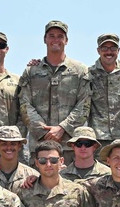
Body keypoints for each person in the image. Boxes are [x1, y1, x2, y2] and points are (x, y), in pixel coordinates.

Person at [19, 20, 91, 159]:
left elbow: (84, 104)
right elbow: (24, 103)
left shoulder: (80, 71)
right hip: (40, 146)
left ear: (66, 40)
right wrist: (43, 131)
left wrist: (62, 128)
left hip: (70, 146)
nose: (55, 39)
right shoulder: (32, 71)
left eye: (60, 36)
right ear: (45, 39)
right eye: (51, 35)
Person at [88, 33, 120, 145]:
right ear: (98, 50)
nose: (109, 52)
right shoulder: (88, 74)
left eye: (113, 48)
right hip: (98, 137)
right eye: (104, 48)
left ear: (118, 50)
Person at [0, 125, 39, 190]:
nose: (9, 148)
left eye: (13, 144)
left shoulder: (32, 175)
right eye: (4, 144)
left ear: (19, 146)